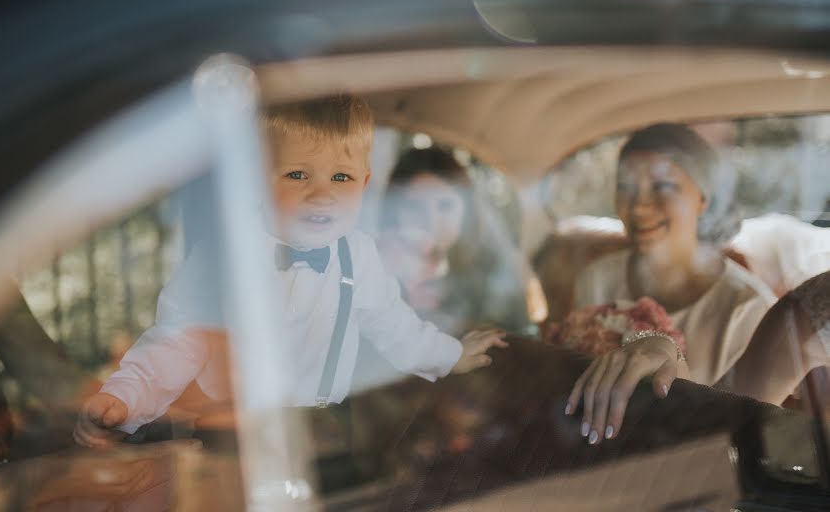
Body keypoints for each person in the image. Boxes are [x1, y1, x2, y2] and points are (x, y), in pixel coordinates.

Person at [74, 94, 508, 447]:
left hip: (330, 430)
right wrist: (123, 399)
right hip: (233, 432)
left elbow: (396, 328)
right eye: (299, 174)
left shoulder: (360, 255)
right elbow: (174, 345)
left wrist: (452, 355)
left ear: (364, 182)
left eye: (341, 177)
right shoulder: (223, 257)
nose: (322, 196)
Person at [563, 123, 829, 445]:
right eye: (626, 188)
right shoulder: (596, 278)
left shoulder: (747, 308)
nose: (638, 207)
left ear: (703, 198)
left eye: (662, 187)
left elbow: (746, 431)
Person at [376, 146, 529, 336]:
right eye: (414, 207)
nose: (431, 222)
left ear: (466, 211)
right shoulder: (371, 267)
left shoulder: (488, 276)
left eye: (445, 206)